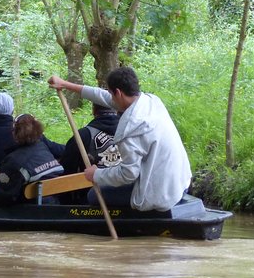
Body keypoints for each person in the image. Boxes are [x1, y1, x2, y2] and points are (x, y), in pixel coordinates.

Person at [47, 67, 191, 211]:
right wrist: (65, 84)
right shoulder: (151, 101)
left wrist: (96, 174)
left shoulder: (130, 128)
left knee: (93, 195)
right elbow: (103, 96)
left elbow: (127, 175)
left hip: (158, 195)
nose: (110, 99)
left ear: (118, 92)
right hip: (181, 183)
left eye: (111, 94)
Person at [0, 114, 65, 206]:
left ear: (14, 133)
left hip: (29, 208)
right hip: (54, 204)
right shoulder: (42, 148)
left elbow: (5, 196)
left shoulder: (13, 161)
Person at [59, 102, 121, 204]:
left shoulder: (82, 136)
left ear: (93, 110)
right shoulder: (131, 131)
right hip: (127, 197)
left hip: (91, 201)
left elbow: (66, 173)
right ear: (117, 109)